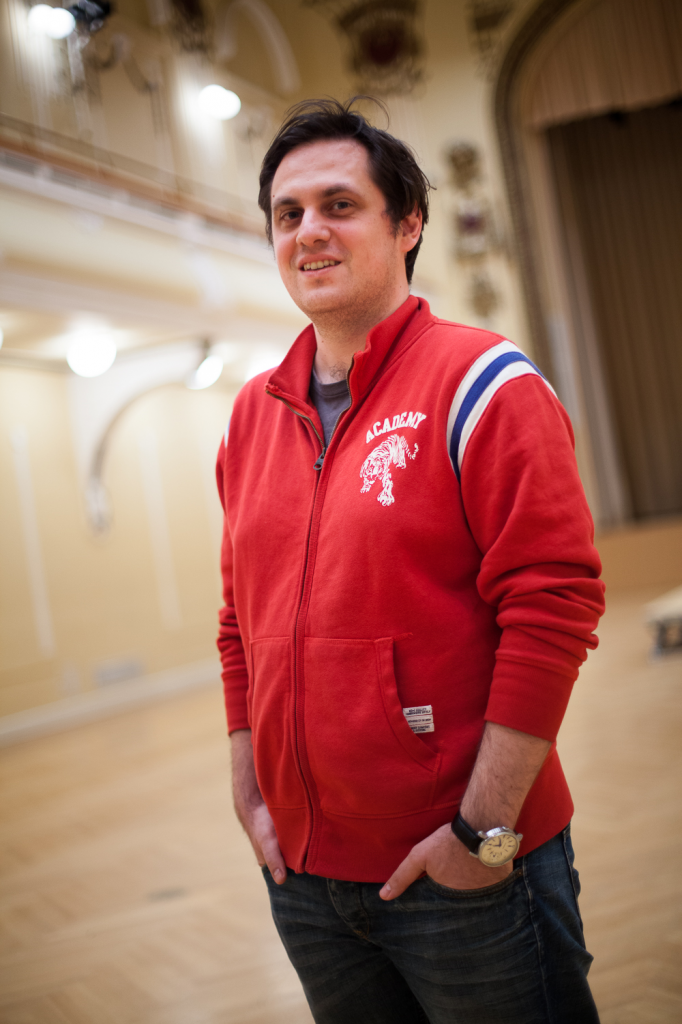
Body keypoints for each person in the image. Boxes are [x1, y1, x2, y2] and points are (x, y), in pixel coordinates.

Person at [216, 98, 605, 1024]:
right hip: (303, 881)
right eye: (288, 213)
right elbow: (239, 626)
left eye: (340, 205)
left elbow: (552, 608)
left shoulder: (486, 383)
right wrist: (252, 796)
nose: (309, 230)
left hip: (469, 875)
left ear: (409, 224)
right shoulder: (250, 417)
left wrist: (483, 835)